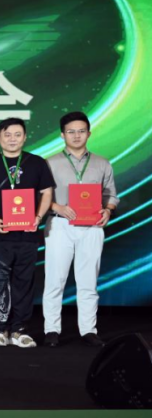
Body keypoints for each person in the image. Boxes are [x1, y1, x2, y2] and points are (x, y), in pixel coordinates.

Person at [43, 111, 118, 347]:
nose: (76, 136)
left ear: (89, 133)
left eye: (81, 131)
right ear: (62, 135)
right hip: (59, 224)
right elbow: (39, 196)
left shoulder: (102, 163)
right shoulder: (49, 163)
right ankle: (51, 329)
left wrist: (108, 210)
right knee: (55, 279)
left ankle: (88, 330)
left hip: (92, 226)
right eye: (71, 131)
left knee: (88, 281)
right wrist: (57, 206)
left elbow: (111, 195)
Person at [0, 117, 54, 348]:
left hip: (27, 234)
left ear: (25, 137)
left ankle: (19, 329)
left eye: (17, 134)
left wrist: (38, 218)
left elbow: (46, 192)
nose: (12, 139)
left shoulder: (37, 162)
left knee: (24, 283)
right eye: (7, 134)